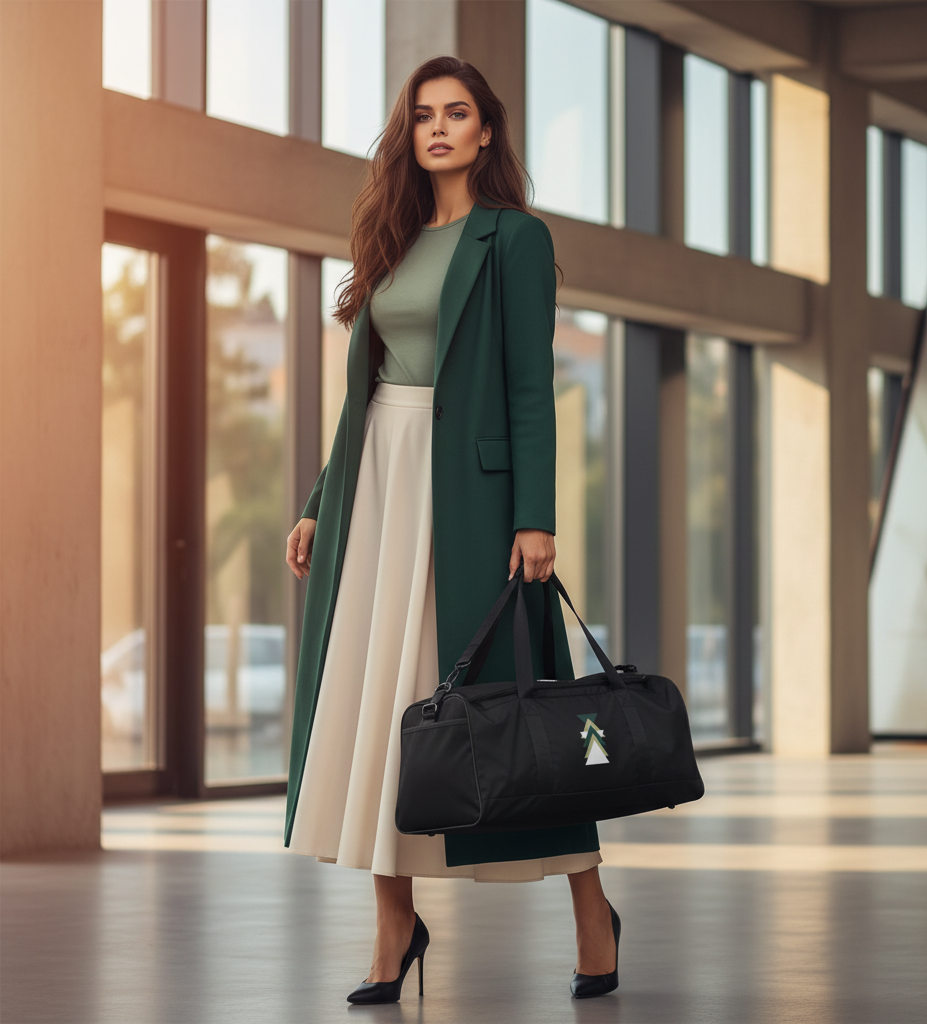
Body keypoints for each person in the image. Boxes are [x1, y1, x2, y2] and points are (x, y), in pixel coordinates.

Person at [283, 56, 620, 1004]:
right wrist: (319, 498)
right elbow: (366, 395)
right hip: (376, 491)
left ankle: (592, 910)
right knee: (381, 708)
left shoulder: (513, 239)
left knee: (520, 707)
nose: (438, 128)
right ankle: (396, 928)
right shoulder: (387, 238)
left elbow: (528, 387)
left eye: (456, 113)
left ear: (485, 132)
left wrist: (535, 517)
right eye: (423, 115)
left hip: (468, 502)